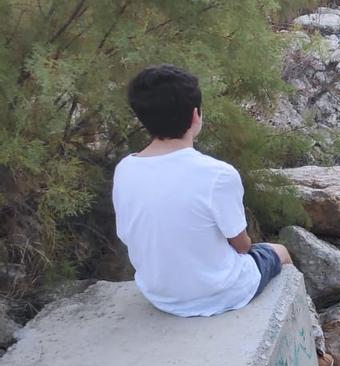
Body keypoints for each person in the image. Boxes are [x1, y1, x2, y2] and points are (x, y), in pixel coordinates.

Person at [113, 65, 292, 317]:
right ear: (196, 115)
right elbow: (242, 246)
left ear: (142, 118)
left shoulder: (125, 169)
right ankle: (317, 349)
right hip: (220, 292)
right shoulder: (217, 174)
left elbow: (127, 235)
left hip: (160, 295)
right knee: (280, 252)